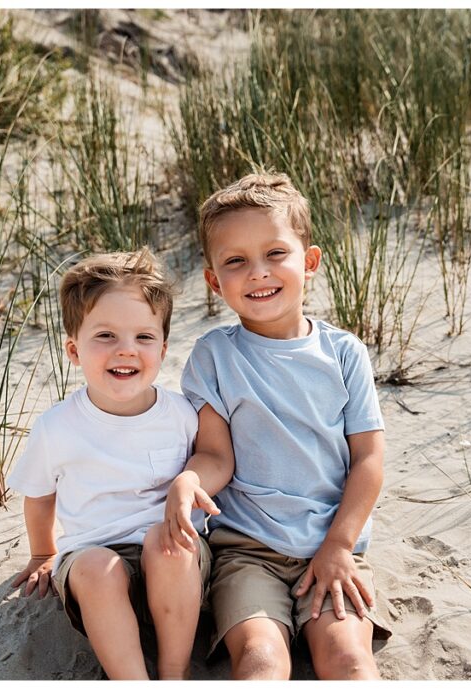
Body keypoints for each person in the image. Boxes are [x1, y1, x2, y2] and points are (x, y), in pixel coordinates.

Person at [160, 173, 392, 679]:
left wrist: (338, 546)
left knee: (349, 659)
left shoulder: (343, 353)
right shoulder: (215, 356)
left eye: (275, 254)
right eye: (236, 261)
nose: (257, 273)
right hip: (247, 550)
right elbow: (217, 456)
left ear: (309, 263)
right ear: (214, 280)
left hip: (331, 543)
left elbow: (368, 462)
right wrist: (190, 480)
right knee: (262, 658)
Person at [9, 248, 210, 680]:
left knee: (168, 542)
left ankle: (175, 672)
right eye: (105, 336)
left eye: (143, 337)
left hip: (175, 568)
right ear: (74, 350)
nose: (126, 351)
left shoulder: (180, 414)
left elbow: (206, 468)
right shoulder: (58, 426)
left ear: (163, 347)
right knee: (99, 571)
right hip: (92, 562)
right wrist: (43, 551)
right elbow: (39, 496)